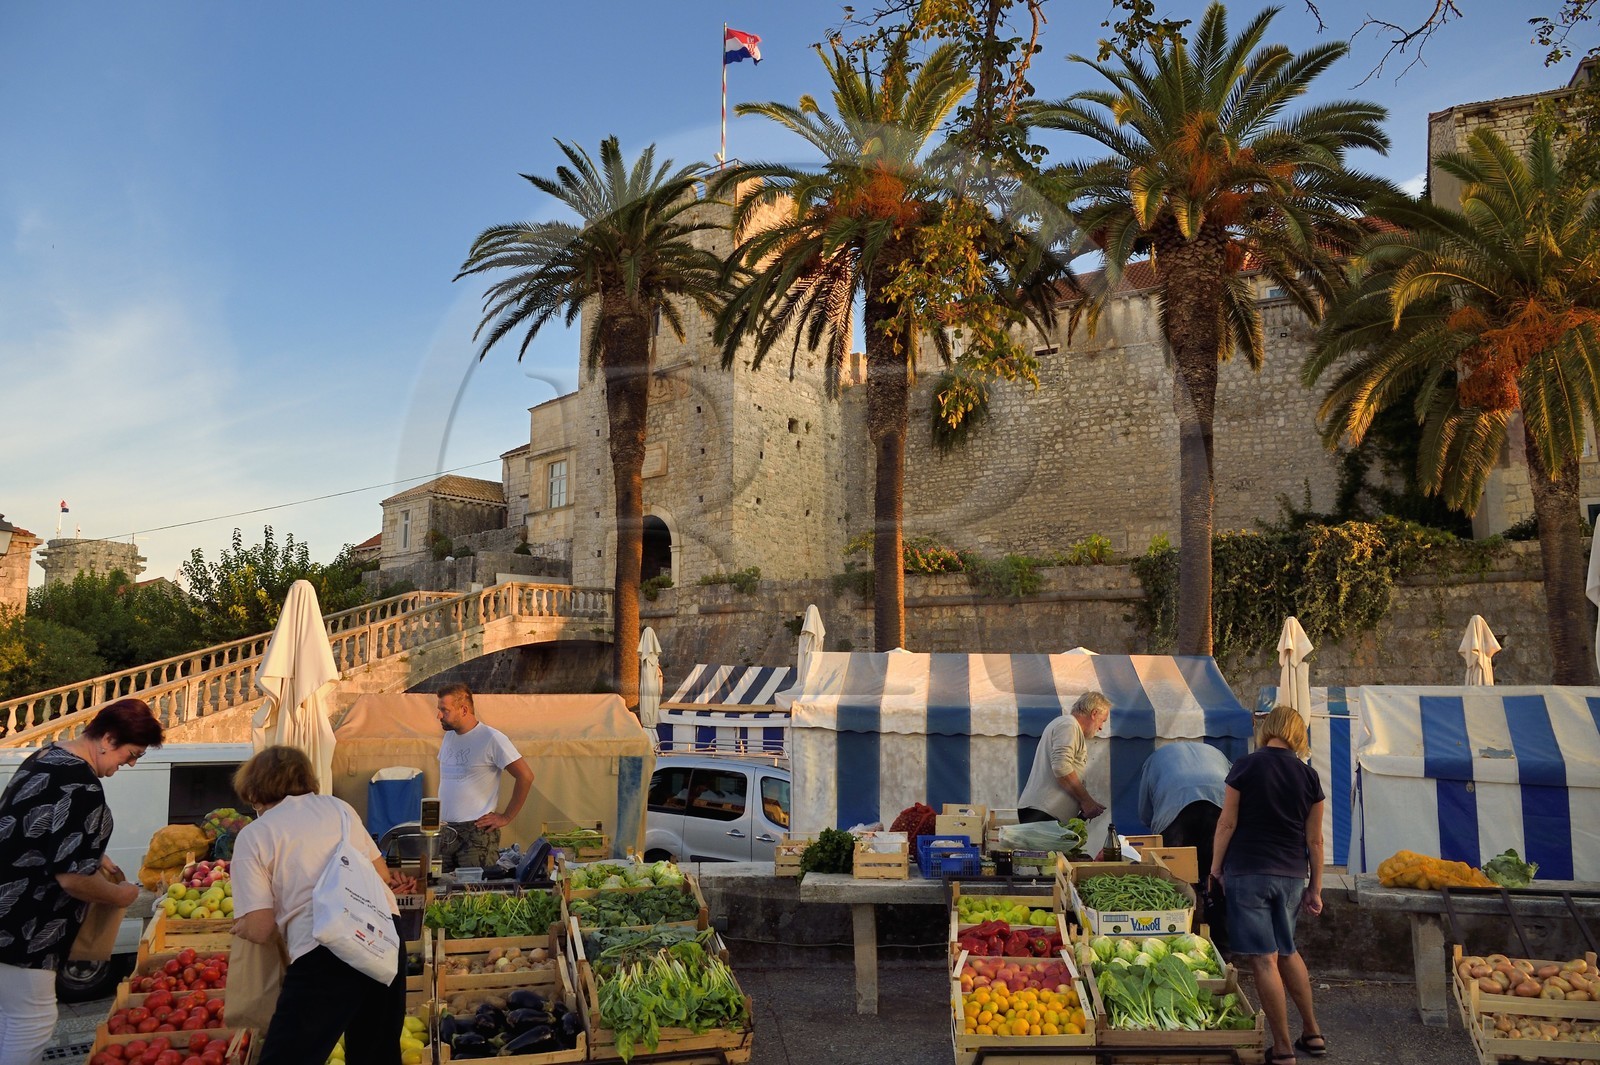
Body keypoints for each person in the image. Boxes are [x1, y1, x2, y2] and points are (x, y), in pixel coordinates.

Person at [229, 745, 419, 1065]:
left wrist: (240, 927)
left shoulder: (255, 835)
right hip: (383, 939)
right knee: (376, 1055)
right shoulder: (339, 808)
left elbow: (260, 928)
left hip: (324, 949)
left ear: (254, 787)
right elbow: (382, 874)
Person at [0, 698, 161, 1065]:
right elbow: (73, 879)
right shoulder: (82, 785)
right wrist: (120, 895)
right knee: (33, 1020)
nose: (130, 764)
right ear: (108, 739)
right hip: (28, 927)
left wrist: (92, 853)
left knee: (10, 1017)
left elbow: (31, 826)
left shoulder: (46, 757)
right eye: (132, 754)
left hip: (6, 912)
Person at [1210, 705, 1327, 1065]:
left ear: (1267, 729)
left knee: (1263, 959)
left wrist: (1215, 869)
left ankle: (1283, 1048)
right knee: (1287, 951)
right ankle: (1313, 1033)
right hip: (1292, 875)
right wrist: (1316, 888)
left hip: (1249, 871)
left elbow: (1226, 823)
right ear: (1298, 735)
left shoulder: (1245, 766)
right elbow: (1315, 840)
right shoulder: (1309, 777)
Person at [1138, 740, 1232, 950]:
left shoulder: (1154, 760)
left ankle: (1173, 939)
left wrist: (1159, 831)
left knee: (1172, 879)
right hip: (1218, 807)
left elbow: (1144, 812)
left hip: (1175, 812)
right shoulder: (1217, 754)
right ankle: (1222, 945)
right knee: (1216, 876)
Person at [435, 683, 534, 871]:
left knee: (475, 887)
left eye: (444, 710)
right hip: (446, 832)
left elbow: (525, 776)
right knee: (442, 885)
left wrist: (506, 817)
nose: (439, 716)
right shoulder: (449, 737)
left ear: (464, 710)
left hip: (476, 834)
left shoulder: (492, 738)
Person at [1017, 691, 1110, 824]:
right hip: (1044, 813)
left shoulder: (1067, 725)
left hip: (1044, 813)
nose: (1101, 727)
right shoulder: (1069, 725)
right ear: (1094, 713)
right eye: (1103, 721)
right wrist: (1086, 801)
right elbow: (1061, 767)